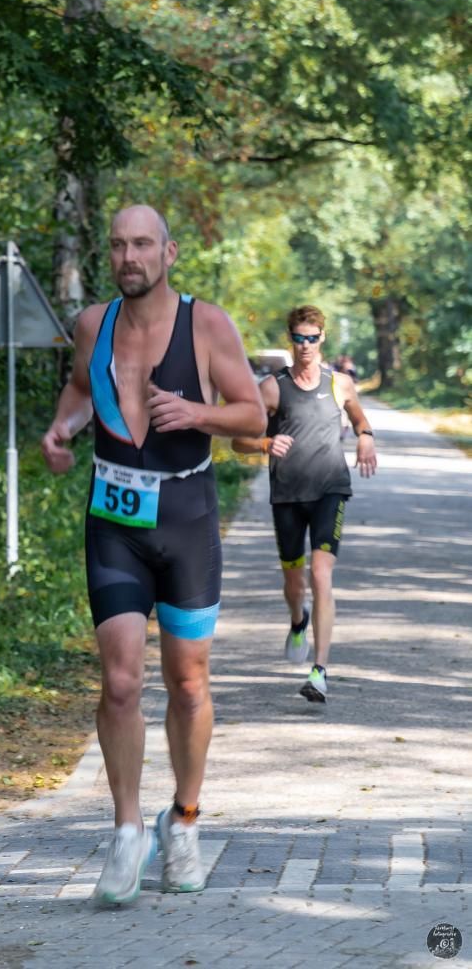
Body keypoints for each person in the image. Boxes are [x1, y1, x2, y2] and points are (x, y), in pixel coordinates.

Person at [41, 204, 266, 905]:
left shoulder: (207, 324)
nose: (129, 256)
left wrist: (199, 414)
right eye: (118, 246)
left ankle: (186, 822)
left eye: (142, 244)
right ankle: (127, 829)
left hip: (187, 515)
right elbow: (82, 388)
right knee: (119, 683)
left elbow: (254, 414)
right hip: (113, 518)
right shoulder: (92, 325)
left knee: (189, 683)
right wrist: (61, 429)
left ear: (168, 253)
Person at [232, 306, 377, 703]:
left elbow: (360, 418)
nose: (306, 345)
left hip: (331, 490)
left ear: (323, 338)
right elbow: (238, 440)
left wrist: (365, 435)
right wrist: (263, 443)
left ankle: (320, 671)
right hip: (287, 497)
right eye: (299, 338)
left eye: (313, 338)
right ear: (290, 339)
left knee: (321, 575)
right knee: (295, 584)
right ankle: (298, 620)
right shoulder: (272, 388)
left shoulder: (340, 383)